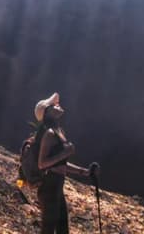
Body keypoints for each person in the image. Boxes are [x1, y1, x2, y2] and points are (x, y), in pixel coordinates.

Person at [34, 92, 99, 234]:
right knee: (48, 229)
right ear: (47, 112)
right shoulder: (49, 134)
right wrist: (65, 153)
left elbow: (60, 164)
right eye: (53, 105)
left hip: (56, 184)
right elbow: (42, 163)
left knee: (62, 229)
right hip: (50, 186)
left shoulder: (58, 131)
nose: (57, 104)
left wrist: (84, 172)